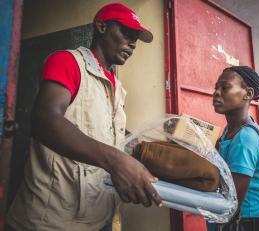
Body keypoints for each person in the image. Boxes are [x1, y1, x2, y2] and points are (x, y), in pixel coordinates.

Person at [7, 3, 161, 231]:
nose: (133, 43)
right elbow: (45, 120)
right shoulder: (68, 62)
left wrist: (139, 147)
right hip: (51, 221)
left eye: (135, 38)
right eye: (127, 33)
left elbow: (103, 130)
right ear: (101, 27)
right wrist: (116, 160)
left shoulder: (116, 85)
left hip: (98, 216)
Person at [207, 66, 259, 231]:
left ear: (248, 94)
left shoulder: (245, 138)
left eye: (225, 87)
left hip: (241, 223)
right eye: (216, 88)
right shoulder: (230, 130)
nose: (216, 93)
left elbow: (231, 202)